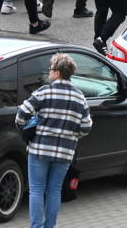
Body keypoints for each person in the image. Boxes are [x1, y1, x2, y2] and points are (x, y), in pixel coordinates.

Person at [15, 53, 92, 228]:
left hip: (39, 150)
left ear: (57, 73)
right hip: (64, 152)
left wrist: (27, 128)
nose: (49, 71)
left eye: (51, 69)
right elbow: (86, 127)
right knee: (54, 191)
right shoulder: (80, 97)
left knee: (36, 191)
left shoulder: (44, 92)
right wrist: (71, 135)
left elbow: (21, 115)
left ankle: (36, 226)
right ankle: (49, 226)